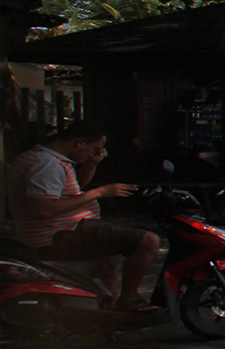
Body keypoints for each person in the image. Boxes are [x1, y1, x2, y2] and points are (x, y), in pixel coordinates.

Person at [5, 121, 160, 312]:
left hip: (67, 229)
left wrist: (92, 163)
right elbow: (44, 210)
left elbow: (74, 187)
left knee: (110, 263)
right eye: (94, 148)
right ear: (80, 142)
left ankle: (107, 314)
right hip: (57, 235)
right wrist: (99, 193)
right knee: (148, 241)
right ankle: (129, 298)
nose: (94, 153)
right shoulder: (46, 165)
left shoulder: (52, 159)